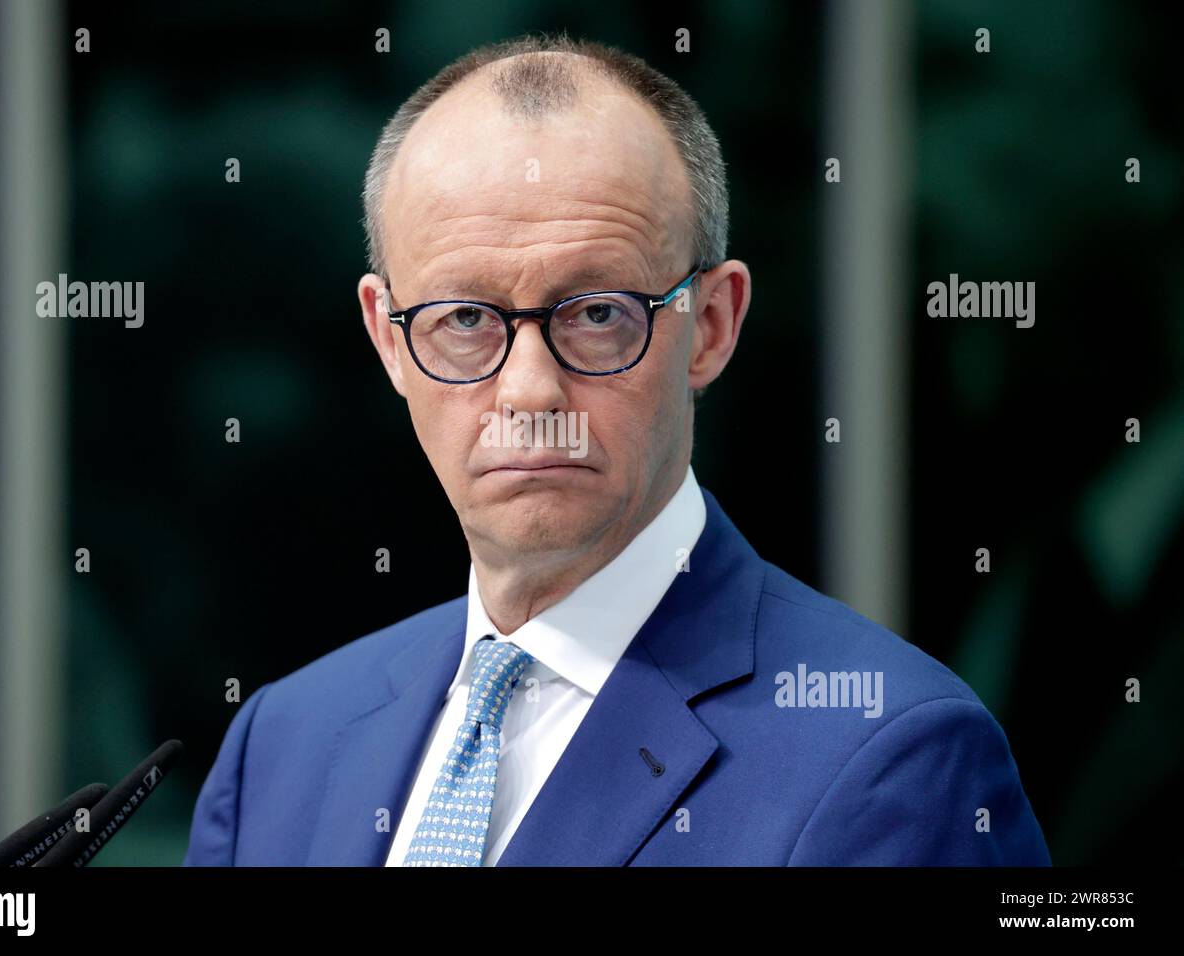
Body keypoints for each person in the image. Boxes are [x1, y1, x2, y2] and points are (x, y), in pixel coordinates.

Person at [184, 34, 1050, 867]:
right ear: (387, 340)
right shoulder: (282, 747)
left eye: (598, 313)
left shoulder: (894, 759)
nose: (528, 391)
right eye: (463, 320)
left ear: (711, 327)